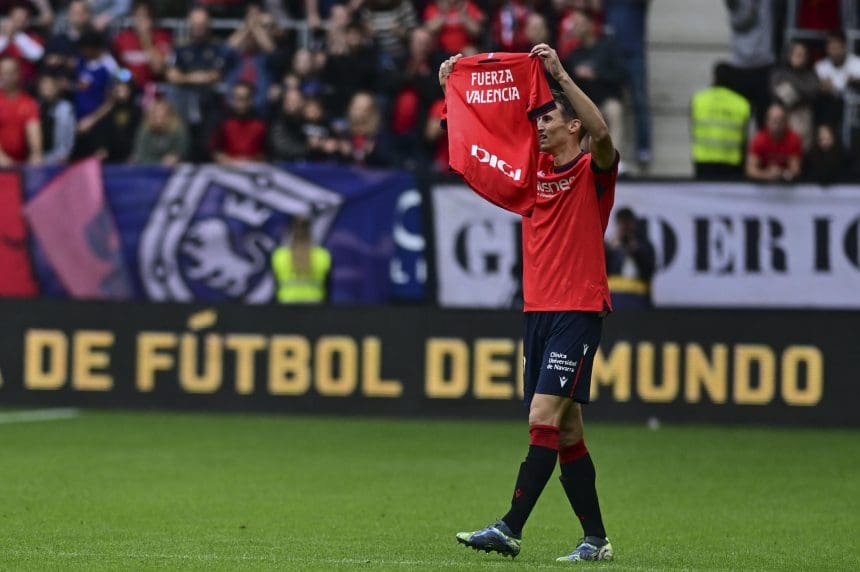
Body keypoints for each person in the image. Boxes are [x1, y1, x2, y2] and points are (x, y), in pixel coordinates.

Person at [440, 43, 617, 562]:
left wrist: (559, 76)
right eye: (538, 121)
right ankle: (596, 540)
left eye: (550, 119)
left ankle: (510, 528)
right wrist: (453, 88)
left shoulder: (592, 172)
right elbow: (482, 136)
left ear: (574, 128)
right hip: (537, 311)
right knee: (565, 430)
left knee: (542, 415)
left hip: (577, 309)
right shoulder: (530, 174)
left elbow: (604, 135)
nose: (540, 127)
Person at [690, 62, 751, 180]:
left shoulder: (698, 100)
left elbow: (692, 129)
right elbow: (745, 137)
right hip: (731, 162)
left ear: (714, 77)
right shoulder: (741, 103)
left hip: (703, 160)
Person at [769, 40, 819, 149]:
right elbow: (779, 94)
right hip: (782, 112)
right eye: (796, 53)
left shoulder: (810, 75)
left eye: (803, 54)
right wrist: (800, 93)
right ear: (789, 54)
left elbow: (812, 94)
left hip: (801, 116)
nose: (799, 57)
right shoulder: (780, 73)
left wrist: (793, 88)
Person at [271, 217, 332, 304]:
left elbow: (275, 287)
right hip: (315, 307)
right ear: (311, 232)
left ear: (290, 233)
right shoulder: (322, 255)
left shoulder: (279, 256)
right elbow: (328, 288)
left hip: (286, 307)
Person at [605, 207, 655, 309]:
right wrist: (610, 249)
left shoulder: (644, 245)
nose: (626, 228)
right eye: (622, 224)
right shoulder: (610, 245)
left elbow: (650, 270)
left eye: (628, 223)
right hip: (614, 299)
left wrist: (636, 250)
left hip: (638, 300)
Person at [210, 81, 267, 164]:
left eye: (243, 99)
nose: (239, 103)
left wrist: (249, 161)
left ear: (251, 100)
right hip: (227, 169)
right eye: (236, 98)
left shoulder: (261, 124)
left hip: (254, 169)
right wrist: (230, 161)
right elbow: (214, 150)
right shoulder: (223, 122)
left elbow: (266, 153)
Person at [746, 102, 803, 182]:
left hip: (785, 183)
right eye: (774, 120)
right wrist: (767, 174)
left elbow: (795, 170)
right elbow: (750, 170)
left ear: (786, 122)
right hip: (763, 183)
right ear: (767, 121)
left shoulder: (793, 139)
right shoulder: (759, 139)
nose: (778, 124)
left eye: (781, 120)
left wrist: (781, 173)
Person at [0, 55, 41, 165]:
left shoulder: (28, 103)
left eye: (10, 72)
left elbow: (34, 135)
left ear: (18, 74)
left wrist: (36, 154)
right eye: (3, 73)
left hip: (20, 164)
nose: (6, 77)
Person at [131, 97, 188, 165]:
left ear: (170, 116)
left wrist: (176, 157)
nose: (159, 121)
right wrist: (160, 163)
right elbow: (141, 155)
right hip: (148, 168)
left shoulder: (178, 130)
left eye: (163, 117)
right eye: (155, 117)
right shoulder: (144, 129)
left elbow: (183, 153)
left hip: (175, 169)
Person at [37, 72, 75, 164]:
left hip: (58, 157)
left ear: (57, 87)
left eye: (50, 84)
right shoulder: (35, 106)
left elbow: (70, 133)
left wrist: (64, 154)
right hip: (39, 158)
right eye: (44, 84)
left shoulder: (65, 107)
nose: (46, 87)